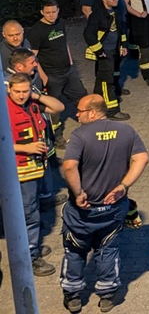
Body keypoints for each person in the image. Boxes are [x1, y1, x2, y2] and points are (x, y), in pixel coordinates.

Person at [60, 94, 149, 313]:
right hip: (113, 209)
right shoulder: (126, 131)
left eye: (80, 110)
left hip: (82, 212)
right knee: (108, 250)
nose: (76, 114)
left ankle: (73, 296)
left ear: (92, 112)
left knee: (75, 250)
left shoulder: (79, 136)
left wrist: (78, 192)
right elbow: (142, 158)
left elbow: (70, 166)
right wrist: (123, 186)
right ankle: (107, 295)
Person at [6, 72, 65, 276]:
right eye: (18, 92)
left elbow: (59, 108)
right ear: (9, 89)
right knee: (29, 214)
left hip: (35, 168)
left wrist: (37, 96)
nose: (22, 95)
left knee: (32, 210)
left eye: (25, 91)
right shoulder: (4, 110)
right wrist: (27, 148)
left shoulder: (31, 104)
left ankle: (31, 247)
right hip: (20, 171)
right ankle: (29, 257)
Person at [28, 0, 87, 146]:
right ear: (42, 12)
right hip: (52, 75)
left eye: (54, 11)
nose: (51, 15)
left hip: (68, 70)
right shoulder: (36, 31)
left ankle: (89, 124)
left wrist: (71, 61)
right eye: (47, 12)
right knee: (54, 107)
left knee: (82, 96)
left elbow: (64, 42)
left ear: (58, 10)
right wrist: (44, 78)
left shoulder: (60, 23)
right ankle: (56, 136)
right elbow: (33, 57)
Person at [84, 0, 131, 120]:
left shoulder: (116, 11)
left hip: (115, 49)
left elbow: (122, 29)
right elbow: (88, 34)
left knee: (107, 77)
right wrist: (99, 51)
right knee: (106, 80)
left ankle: (96, 101)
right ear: (104, 0)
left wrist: (123, 45)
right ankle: (112, 110)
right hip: (105, 52)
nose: (116, 0)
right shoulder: (97, 15)